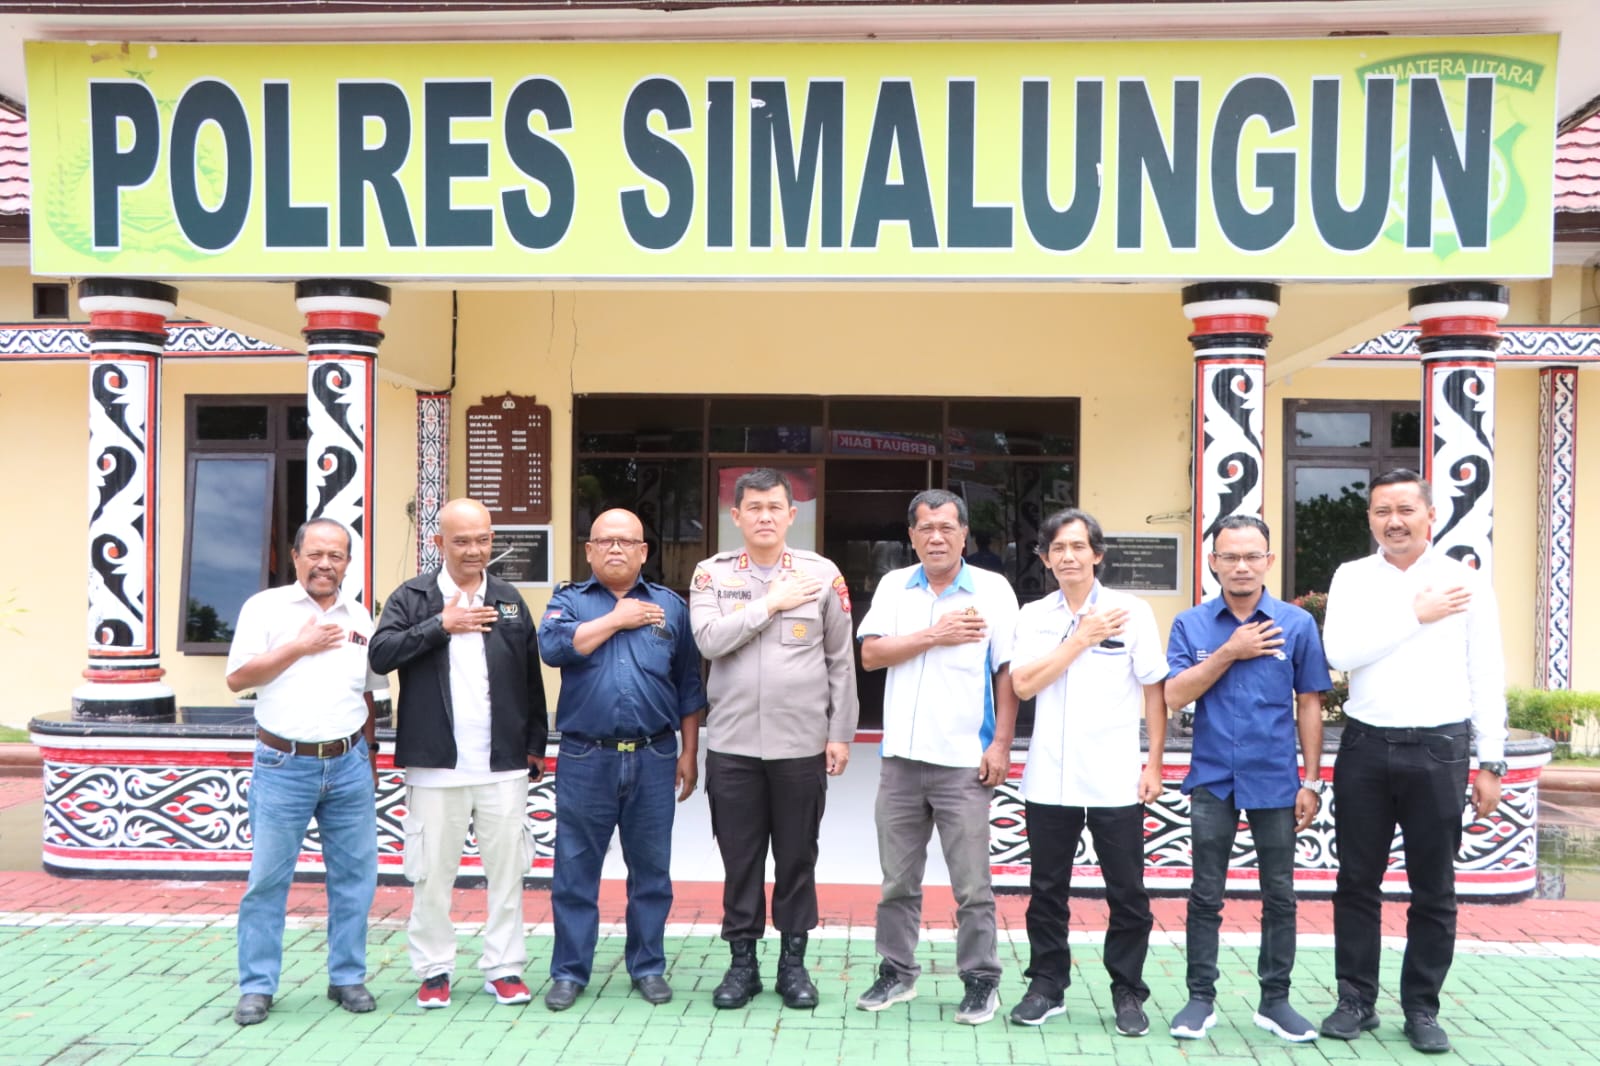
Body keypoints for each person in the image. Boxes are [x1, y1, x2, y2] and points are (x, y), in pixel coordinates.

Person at [1319, 469, 1507, 1055]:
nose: (1393, 521)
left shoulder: (1465, 580)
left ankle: (1422, 1007)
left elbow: (1487, 672)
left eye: (1404, 509)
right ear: (1370, 518)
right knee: (1355, 882)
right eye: (1381, 511)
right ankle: (1356, 1000)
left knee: (1434, 888)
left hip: (1440, 748)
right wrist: (1414, 615)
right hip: (1366, 746)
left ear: (1431, 514)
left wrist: (1491, 761)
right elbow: (1340, 653)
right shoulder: (1352, 577)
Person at [689, 468, 860, 1010]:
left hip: (801, 746)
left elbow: (841, 661)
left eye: (775, 507)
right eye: (753, 507)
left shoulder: (822, 574)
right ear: (735, 516)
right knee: (740, 859)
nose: (765, 516)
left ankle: (793, 963)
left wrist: (840, 733)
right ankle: (742, 965)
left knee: (796, 857)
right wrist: (770, 604)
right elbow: (709, 640)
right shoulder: (710, 575)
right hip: (734, 747)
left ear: (792, 515)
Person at [369, 498, 549, 1010]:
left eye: (483, 539)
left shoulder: (510, 600)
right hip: (435, 765)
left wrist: (535, 744)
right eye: (462, 540)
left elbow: (531, 681)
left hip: (503, 765)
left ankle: (505, 966)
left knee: (509, 871)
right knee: (430, 876)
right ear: (438, 543)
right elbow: (381, 654)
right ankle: (433, 969)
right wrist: (440, 626)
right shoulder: (414, 597)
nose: (474, 550)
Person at [855, 489, 1019, 1026]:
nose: (936, 537)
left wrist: (1000, 745)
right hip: (901, 759)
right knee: (897, 881)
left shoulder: (993, 590)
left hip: (963, 761)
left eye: (947, 527)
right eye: (925, 528)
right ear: (911, 536)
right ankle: (896, 972)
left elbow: (1008, 673)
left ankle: (980, 980)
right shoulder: (893, 587)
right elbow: (872, 654)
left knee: (972, 883)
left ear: (964, 533)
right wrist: (935, 634)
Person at [1164, 515, 1330, 1042]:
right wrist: (1230, 651)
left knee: (1279, 893)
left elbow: (1310, 703)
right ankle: (1200, 999)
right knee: (1205, 893)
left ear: (1268, 561)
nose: (1241, 566)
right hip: (1212, 777)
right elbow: (1174, 695)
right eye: (1229, 556)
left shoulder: (1295, 624)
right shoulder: (1191, 625)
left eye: (1251, 556)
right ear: (1213, 561)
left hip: (1276, 779)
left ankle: (1275, 1001)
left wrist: (1313, 780)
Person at [537, 508, 707, 1012]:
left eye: (626, 541)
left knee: (651, 872)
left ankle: (648, 967)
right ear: (588, 551)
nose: (615, 549)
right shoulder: (568, 601)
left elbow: (689, 687)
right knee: (575, 871)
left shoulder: (671, 608)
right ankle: (569, 972)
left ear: (643, 552)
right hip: (586, 756)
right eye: (604, 541)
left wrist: (689, 752)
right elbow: (553, 648)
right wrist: (617, 619)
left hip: (655, 755)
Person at [1006, 508, 1167, 1037]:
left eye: (1079, 547)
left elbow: (1153, 690)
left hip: (1115, 777)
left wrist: (1155, 762)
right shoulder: (1033, 615)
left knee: (1127, 892)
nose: (1068, 556)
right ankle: (1047, 984)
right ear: (1046, 558)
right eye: (1058, 548)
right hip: (1049, 777)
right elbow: (1025, 685)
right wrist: (1080, 637)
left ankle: (1128, 992)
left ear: (1097, 554)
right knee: (1047, 890)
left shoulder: (1132, 611)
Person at [224, 518, 382, 1026]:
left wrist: (370, 754)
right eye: (315, 554)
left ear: (347, 563)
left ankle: (347, 977)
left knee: (355, 878)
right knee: (268, 880)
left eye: (336, 555)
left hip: (348, 763)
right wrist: (299, 646)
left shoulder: (361, 618)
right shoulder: (265, 608)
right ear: (295, 557)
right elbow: (237, 679)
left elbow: (370, 693)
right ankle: (257, 986)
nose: (325, 564)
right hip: (282, 763)